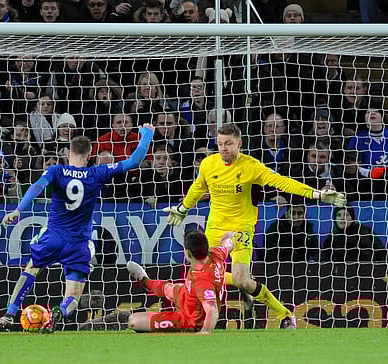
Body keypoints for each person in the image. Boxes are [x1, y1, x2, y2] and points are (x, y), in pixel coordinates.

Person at [163, 123, 346, 329]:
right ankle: (197, 319)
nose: (224, 148)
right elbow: (198, 187)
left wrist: (317, 194)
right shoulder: (208, 164)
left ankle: (285, 314)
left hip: (241, 228)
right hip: (215, 228)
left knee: (241, 280)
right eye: (220, 144)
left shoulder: (252, 167)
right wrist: (183, 208)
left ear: (239, 144)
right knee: (203, 275)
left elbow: (282, 182)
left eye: (229, 144)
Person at [0, 123, 154, 332]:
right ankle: (58, 314)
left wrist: (19, 209)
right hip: (78, 243)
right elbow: (134, 161)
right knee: (73, 294)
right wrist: (147, 134)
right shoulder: (97, 173)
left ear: (68, 152)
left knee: (31, 269)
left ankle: (10, 314)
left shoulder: (57, 170)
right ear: (90, 154)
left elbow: (37, 186)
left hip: (53, 236)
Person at [126, 229, 233, 334]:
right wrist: (229, 237)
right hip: (188, 295)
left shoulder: (202, 281)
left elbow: (212, 311)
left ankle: (157, 319)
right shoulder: (215, 254)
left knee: (133, 321)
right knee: (169, 289)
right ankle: (145, 281)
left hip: (189, 319)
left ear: (188, 253)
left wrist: (204, 332)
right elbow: (228, 246)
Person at [262, 198, 320, 262]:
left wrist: (314, 260)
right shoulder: (275, 228)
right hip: (279, 267)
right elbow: (267, 253)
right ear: (286, 215)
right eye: (292, 213)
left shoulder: (308, 228)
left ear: (304, 215)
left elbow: (317, 251)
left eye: (300, 213)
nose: (296, 217)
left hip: (302, 267)